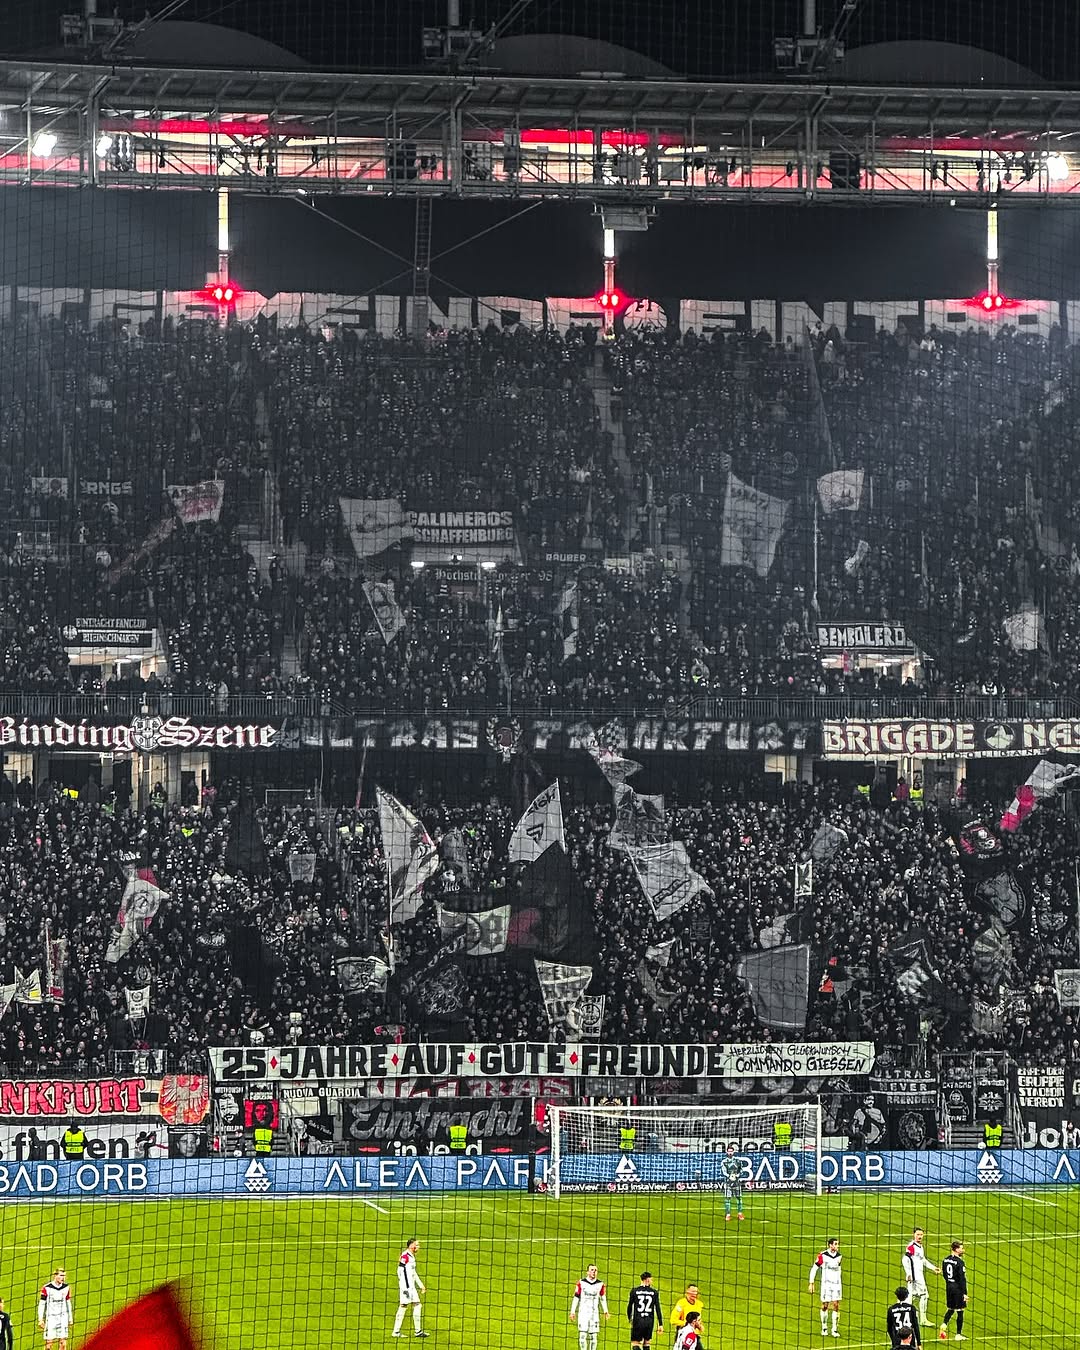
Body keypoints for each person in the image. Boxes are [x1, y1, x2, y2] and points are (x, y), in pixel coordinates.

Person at [902, 1228, 939, 1328]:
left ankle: (904, 1317)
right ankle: (923, 1320)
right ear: (913, 1235)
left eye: (921, 1235)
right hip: (915, 1277)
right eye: (918, 1234)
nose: (920, 1236)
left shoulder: (920, 1247)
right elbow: (905, 1259)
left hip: (918, 1275)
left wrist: (933, 1268)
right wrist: (908, 1273)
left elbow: (922, 1260)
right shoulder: (911, 1246)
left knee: (911, 1297)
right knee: (924, 1296)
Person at [392, 1239, 428, 1339]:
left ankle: (398, 1331)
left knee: (406, 1306)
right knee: (414, 1305)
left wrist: (421, 1285)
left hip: (409, 1287)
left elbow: (413, 1273)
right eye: (417, 1245)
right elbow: (399, 1271)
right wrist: (405, 1287)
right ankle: (416, 1331)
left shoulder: (410, 1256)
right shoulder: (405, 1256)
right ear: (412, 1245)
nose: (419, 1247)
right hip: (407, 1288)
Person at [807, 1238, 843, 1338]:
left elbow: (838, 1270)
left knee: (836, 1305)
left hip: (836, 1285)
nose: (837, 1246)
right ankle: (824, 1327)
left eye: (837, 1244)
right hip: (826, 1285)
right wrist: (811, 1282)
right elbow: (814, 1268)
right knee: (825, 1306)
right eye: (835, 1244)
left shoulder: (839, 1256)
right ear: (830, 1245)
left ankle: (834, 1329)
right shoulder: (822, 1256)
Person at [570, 1264, 610, 1350]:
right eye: (592, 1270)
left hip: (594, 1314)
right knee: (582, 1335)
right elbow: (576, 1297)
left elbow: (603, 1298)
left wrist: (606, 1311)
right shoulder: (581, 1283)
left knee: (594, 1336)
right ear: (587, 1272)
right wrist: (572, 1311)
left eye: (595, 1270)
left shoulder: (600, 1284)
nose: (594, 1272)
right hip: (583, 1313)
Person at [626, 1271, 663, 1350]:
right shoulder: (654, 1292)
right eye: (651, 1279)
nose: (652, 1281)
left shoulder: (634, 1291)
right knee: (647, 1343)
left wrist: (630, 1318)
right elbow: (658, 1308)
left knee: (635, 1343)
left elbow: (629, 1307)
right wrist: (660, 1324)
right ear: (647, 1280)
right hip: (649, 1322)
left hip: (638, 1320)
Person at [939, 1242, 967, 1342]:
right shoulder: (960, 1262)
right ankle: (958, 1334)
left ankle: (944, 1324)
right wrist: (964, 1293)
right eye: (961, 1248)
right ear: (956, 1249)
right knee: (960, 1311)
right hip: (958, 1289)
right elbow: (962, 1279)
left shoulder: (945, 1260)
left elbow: (944, 1274)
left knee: (951, 1308)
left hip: (949, 1287)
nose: (963, 1250)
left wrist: (950, 1283)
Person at [37, 1270, 72, 1350]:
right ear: (55, 1276)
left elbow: (68, 1303)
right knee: (49, 1344)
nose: (63, 1278)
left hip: (63, 1318)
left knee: (63, 1343)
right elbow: (42, 1304)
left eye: (64, 1275)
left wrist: (70, 1318)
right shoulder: (47, 1288)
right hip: (51, 1319)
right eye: (61, 1275)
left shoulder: (66, 1287)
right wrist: (40, 1319)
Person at [720, 1145, 744, 1222]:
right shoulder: (724, 1162)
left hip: (737, 1182)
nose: (730, 1152)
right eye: (729, 1151)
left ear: (733, 1152)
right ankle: (728, 1214)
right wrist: (729, 1176)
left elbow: (741, 1170)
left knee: (739, 1198)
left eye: (731, 1151)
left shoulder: (738, 1161)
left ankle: (740, 1213)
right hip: (728, 1183)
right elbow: (723, 1172)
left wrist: (737, 1175)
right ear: (726, 1152)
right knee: (727, 1198)